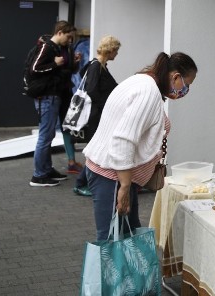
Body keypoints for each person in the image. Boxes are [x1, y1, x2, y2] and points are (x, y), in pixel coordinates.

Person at [82, 51, 197, 241]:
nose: (185, 90)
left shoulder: (143, 81)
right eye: (187, 84)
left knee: (126, 238)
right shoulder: (148, 92)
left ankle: (127, 272)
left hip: (116, 176)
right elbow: (123, 140)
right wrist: (125, 186)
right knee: (111, 241)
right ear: (176, 77)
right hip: (112, 176)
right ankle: (110, 272)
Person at [29, 20, 80, 187]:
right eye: (68, 37)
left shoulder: (57, 48)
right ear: (60, 32)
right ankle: (39, 175)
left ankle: (46, 170)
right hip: (47, 96)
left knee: (48, 135)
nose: (70, 41)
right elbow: (35, 68)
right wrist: (54, 64)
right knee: (45, 136)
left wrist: (73, 65)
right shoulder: (47, 47)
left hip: (53, 95)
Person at [73, 35, 122, 197]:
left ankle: (84, 182)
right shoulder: (96, 67)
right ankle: (81, 183)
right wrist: (106, 107)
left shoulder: (99, 66)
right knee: (96, 150)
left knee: (96, 149)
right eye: (116, 51)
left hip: (98, 115)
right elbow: (92, 91)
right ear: (110, 50)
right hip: (96, 116)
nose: (117, 54)